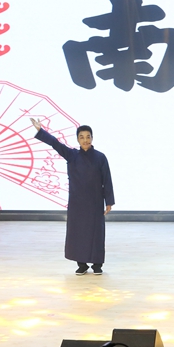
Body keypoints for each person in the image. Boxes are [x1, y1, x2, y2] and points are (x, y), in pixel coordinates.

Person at [30, 118, 114, 275]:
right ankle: (81, 264)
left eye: (88, 137)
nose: (85, 140)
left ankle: (97, 264)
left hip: (95, 202)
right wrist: (41, 130)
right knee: (78, 233)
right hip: (77, 202)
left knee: (96, 233)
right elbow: (55, 143)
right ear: (77, 139)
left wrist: (109, 201)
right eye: (81, 137)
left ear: (92, 138)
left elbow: (107, 180)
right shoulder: (72, 155)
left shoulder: (100, 157)